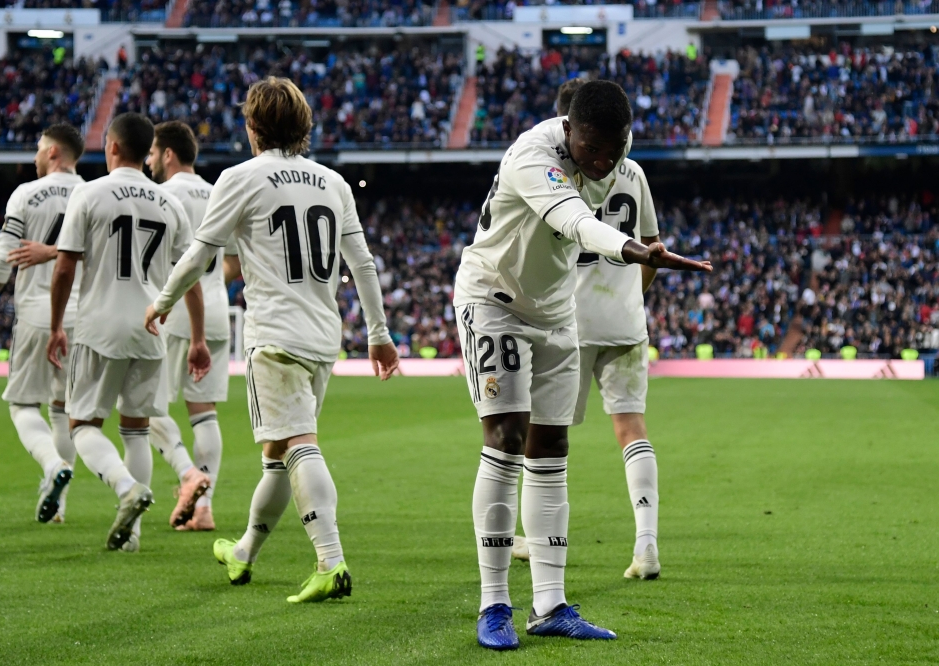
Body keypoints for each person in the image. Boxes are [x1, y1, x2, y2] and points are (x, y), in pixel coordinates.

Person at [454, 80, 711, 650]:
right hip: (494, 303)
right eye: (592, 149)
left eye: (614, 150)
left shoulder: (616, 164)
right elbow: (576, 222)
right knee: (505, 438)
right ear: (569, 129)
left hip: (556, 311)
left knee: (551, 448)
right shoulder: (533, 155)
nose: (602, 162)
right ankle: (494, 603)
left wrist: (640, 246)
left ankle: (549, 605)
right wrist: (637, 251)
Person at [146, 77, 399, 603]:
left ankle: (330, 561)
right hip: (323, 334)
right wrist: (379, 334)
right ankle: (244, 553)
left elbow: (199, 257)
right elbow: (364, 264)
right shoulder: (333, 182)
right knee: (278, 451)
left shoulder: (239, 177)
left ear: (254, 126)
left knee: (299, 444)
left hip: (275, 333)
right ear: (304, 125)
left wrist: (163, 302)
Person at [513, 78, 664, 581]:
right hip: (624, 320)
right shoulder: (633, 170)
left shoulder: (555, 171)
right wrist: (630, 298)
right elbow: (652, 246)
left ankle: (538, 540)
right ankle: (646, 545)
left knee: (546, 434)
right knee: (631, 429)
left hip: (569, 320)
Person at [48, 112, 209, 552]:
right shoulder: (169, 204)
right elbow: (189, 275)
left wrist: (56, 324)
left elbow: (64, 267)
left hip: (99, 326)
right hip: (150, 330)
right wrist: (196, 338)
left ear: (113, 147)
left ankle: (125, 489)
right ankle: (130, 538)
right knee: (136, 430)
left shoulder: (90, 194)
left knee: (82, 425)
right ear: (146, 152)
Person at [0, 123, 85, 524]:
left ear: (52, 152)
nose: (33, 156)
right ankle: (58, 508)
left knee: (21, 403)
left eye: (37, 148)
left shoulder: (27, 194)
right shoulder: (93, 193)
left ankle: (52, 466)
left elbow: (3, 258)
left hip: (36, 311)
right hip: (82, 316)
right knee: (63, 410)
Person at [144, 121, 224, 531]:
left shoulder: (159, 196)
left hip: (173, 311)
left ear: (169, 154)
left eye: (153, 154)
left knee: (144, 407)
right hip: (217, 310)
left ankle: (187, 474)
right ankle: (205, 509)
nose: (150, 161)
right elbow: (236, 260)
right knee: (204, 413)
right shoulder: (219, 193)